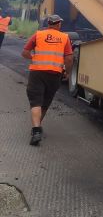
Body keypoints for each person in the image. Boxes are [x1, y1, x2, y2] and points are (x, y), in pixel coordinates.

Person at [21, 14, 73, 146]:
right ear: (59, 24)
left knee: (35, 102)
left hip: (37, 72)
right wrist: (67, 72)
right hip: (55, 75)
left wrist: (35, 58)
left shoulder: (38, 35)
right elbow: (69, 58)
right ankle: (37, 128)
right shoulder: (65, 37)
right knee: (45, 103)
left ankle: (36, 130)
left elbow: (25, 53)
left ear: (48, 24)